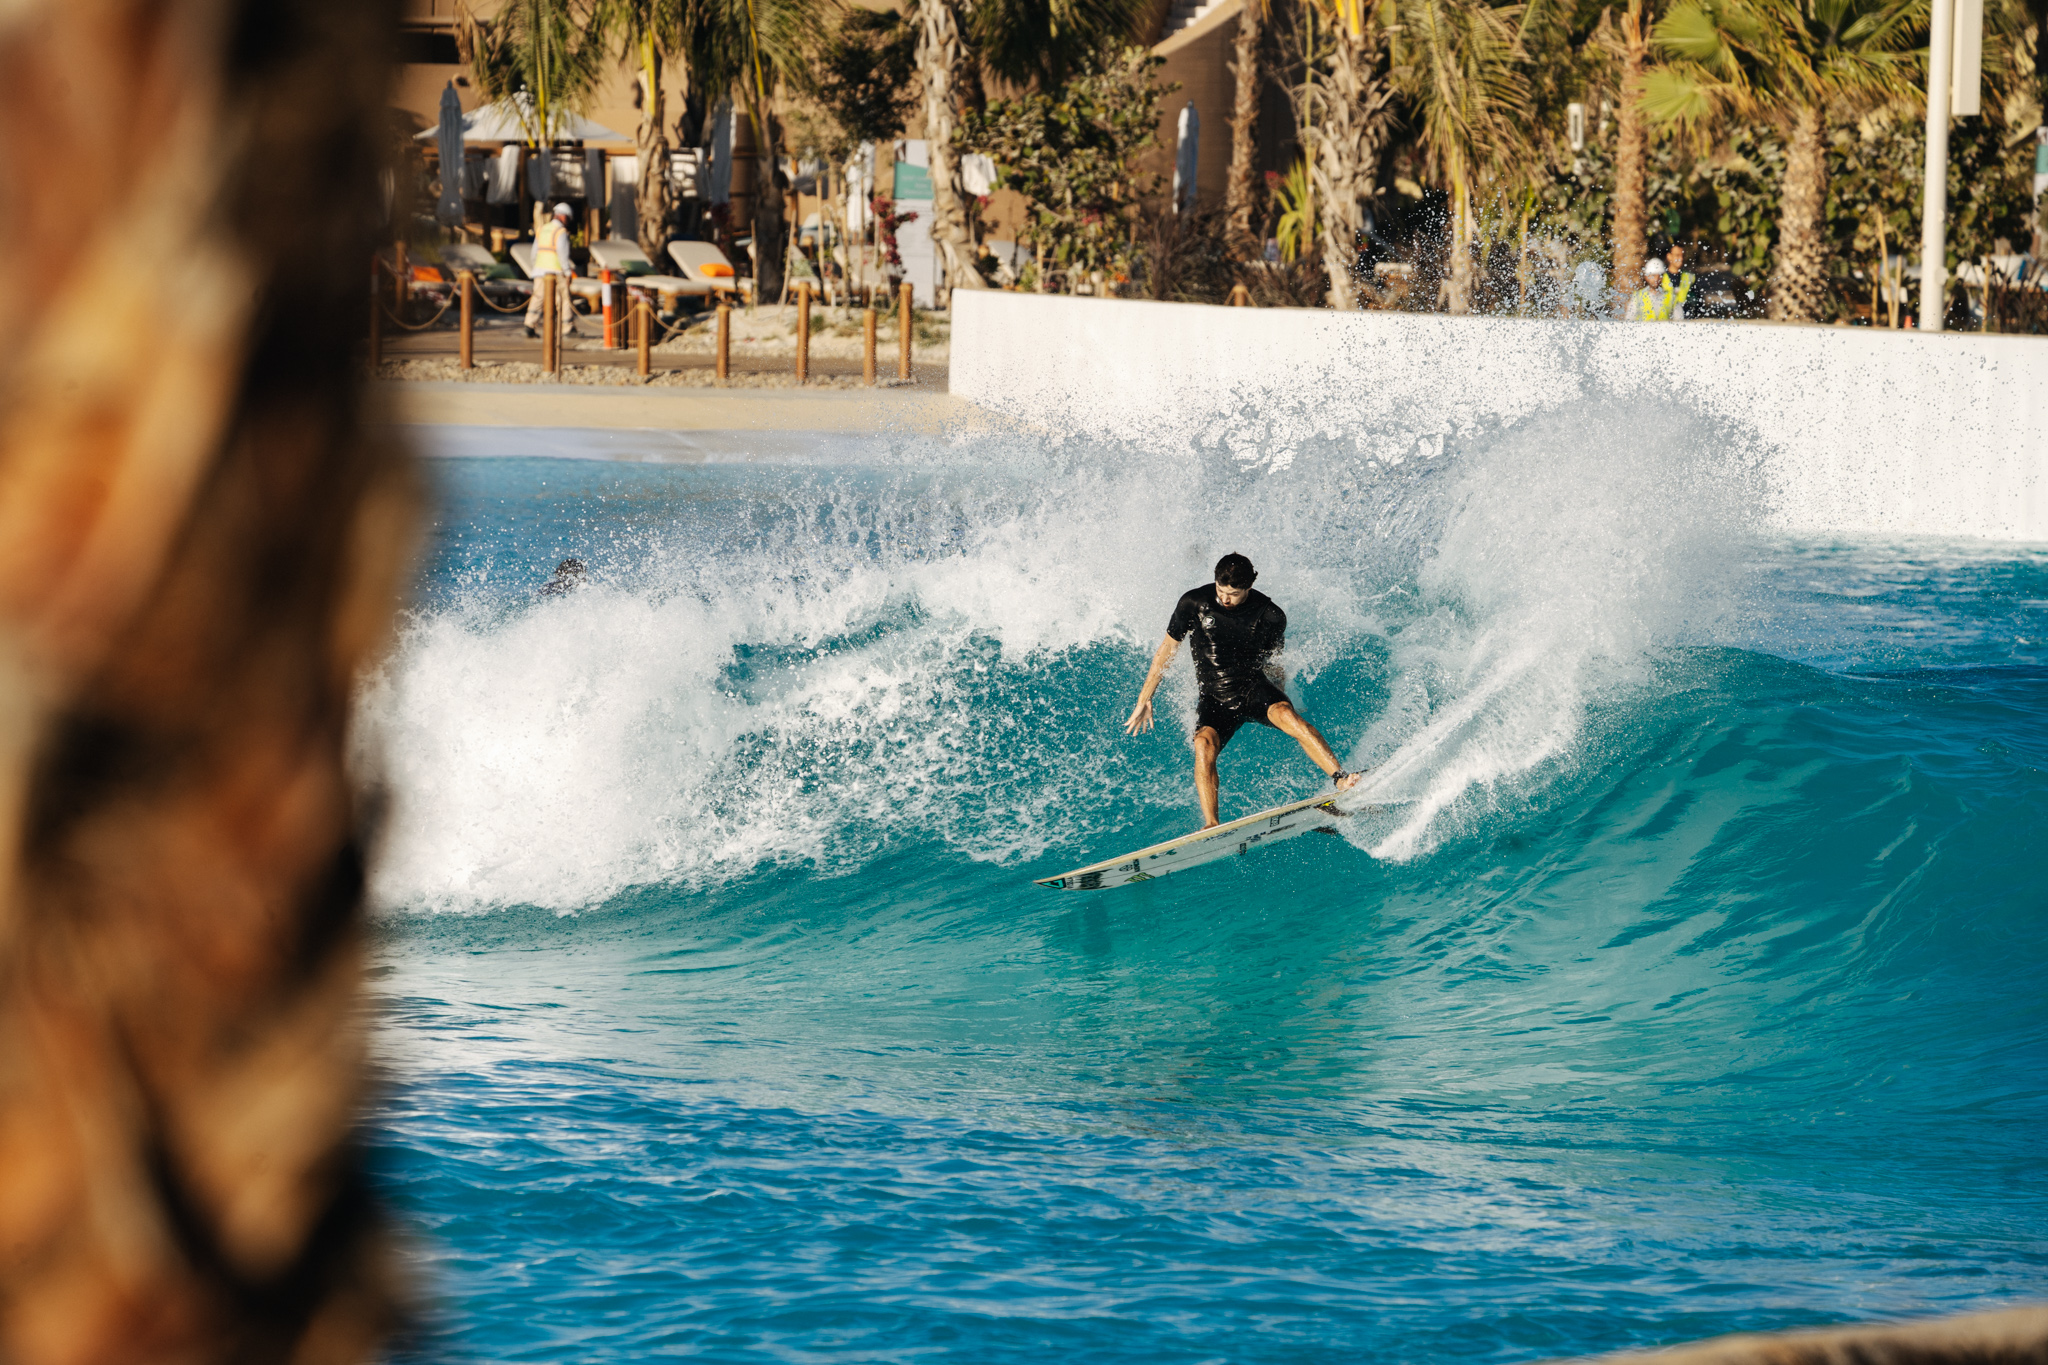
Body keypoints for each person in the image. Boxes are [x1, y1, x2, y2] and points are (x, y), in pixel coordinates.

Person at [1124, 553, 1362, 829]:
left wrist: (1282, 698)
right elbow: (1167, 649)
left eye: (1233, 594)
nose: (1225, 599)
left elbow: (1274, 663)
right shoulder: (1194, 603)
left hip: (1253, 689)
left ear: (1249, 587)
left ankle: (1341, 778)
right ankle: (1212, 824)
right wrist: (1145, 698)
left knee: (1289, 717)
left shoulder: (1270, 615)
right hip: (1214, 697)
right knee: (1203, 744)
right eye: (1221, 590)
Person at [524, 202, 576, 340]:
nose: (568, 222)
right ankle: (567, 327)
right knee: (564, 298)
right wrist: (567, 272)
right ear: (563, 216)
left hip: (540, 270)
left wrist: (536, 267)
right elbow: (562, 254)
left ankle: (529, 325)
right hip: (556, 271)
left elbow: (534, 252)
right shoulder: (560, 232)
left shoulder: (542, 229)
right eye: (568, 218)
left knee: (537, 298)